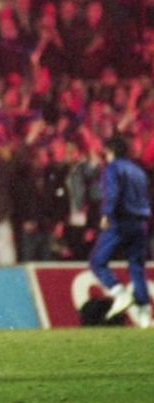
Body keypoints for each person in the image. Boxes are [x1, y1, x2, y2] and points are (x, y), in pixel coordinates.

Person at [88, 136, 151, 328]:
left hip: (121, 221)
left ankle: (119, 293)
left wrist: (107, 214)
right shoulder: (138, 170)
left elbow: (113, 192)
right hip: (141, 223)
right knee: (136, 267)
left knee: (97, 261)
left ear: (111, 151)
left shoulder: (113, 168)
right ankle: (144, 313)